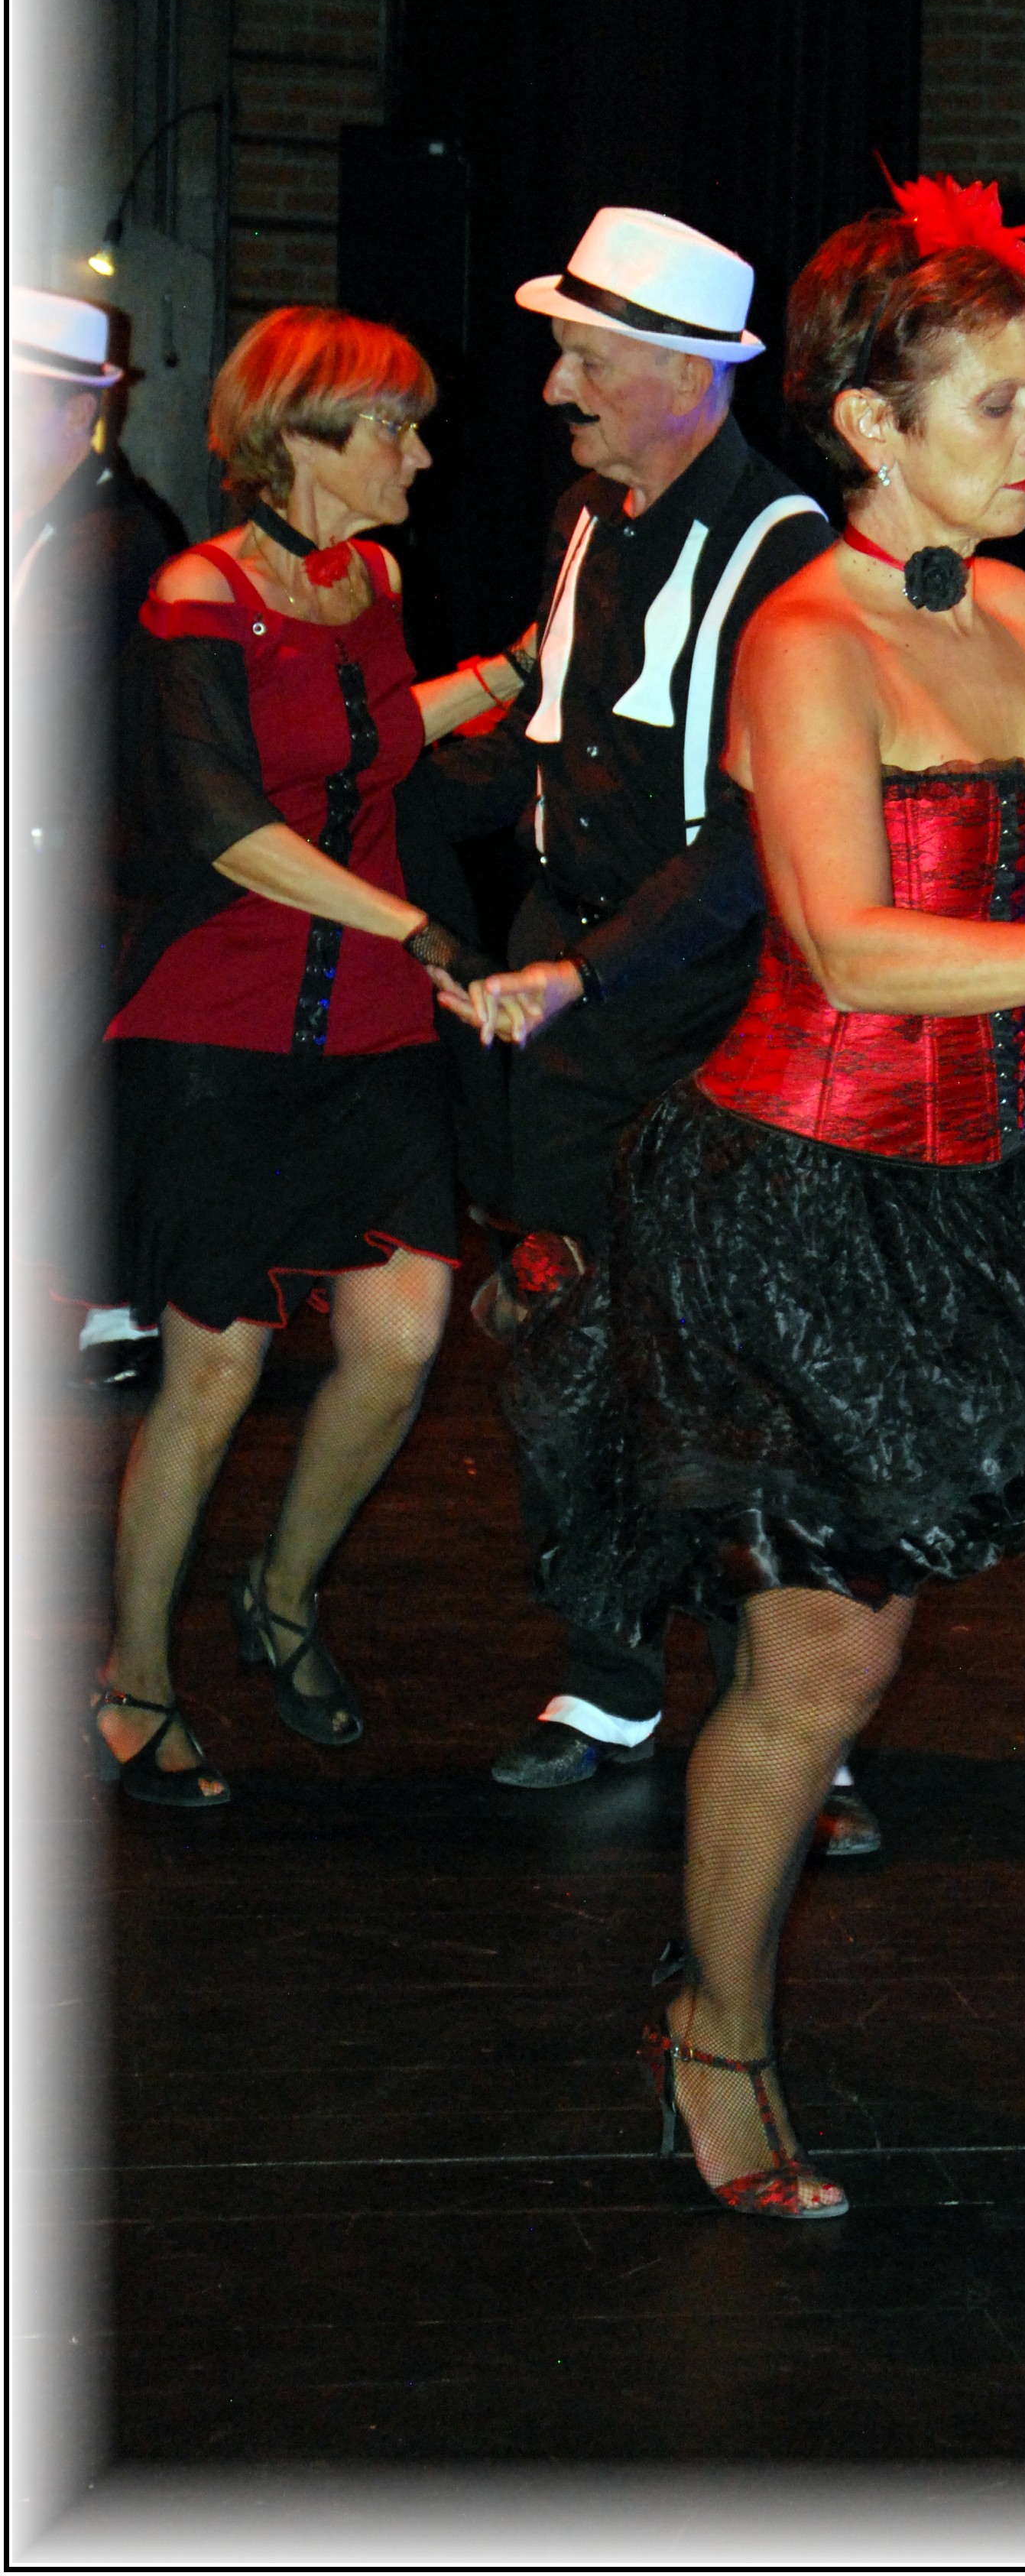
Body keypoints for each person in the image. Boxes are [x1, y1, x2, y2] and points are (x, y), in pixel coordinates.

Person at [498, 175, 1025, 2218]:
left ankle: (708, 1998)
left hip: (962, 1201)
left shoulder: (1015, 615)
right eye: (1003, 405)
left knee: (843, 1660)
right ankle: (716, 2035)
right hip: (793, 1195)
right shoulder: (813, 636)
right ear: (872, 426)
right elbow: (846, 944)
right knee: (821, 1661)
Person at [423, 206, 886, 1841]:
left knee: (742, 1374)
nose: (557, 386)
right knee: (566, 1347)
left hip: (719, 1009)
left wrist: (589, 970)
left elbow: (760, 838)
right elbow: (553, 743)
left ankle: (800, 1736)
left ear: (690, 374)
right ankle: (609, 1669)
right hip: (577, 995)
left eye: (585, 358)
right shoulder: (585, 518)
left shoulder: (792, 558)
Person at [89, 305, 536, 1807]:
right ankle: (133, 1681)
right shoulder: (198, 593)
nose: (421, 454)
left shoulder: (371, 581)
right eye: (395, 428)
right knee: (212, 1372)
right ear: (301, 439)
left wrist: (510, 673)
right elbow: (228, 821)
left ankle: (279, 1596)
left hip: (369, 1028)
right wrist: (415, 926)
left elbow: (368, 737)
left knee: (402, 1340)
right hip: (218, 1023)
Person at [11, 288, 185, 1383]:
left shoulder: (111, 541)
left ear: (78, 414)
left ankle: (114, 1315)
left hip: (84, 875)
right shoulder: (57, 524)